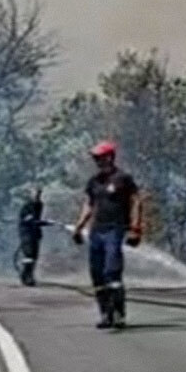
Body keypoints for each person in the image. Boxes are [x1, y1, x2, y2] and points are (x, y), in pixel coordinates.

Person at [71, 141, 142, 329]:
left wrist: (135, 229)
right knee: (97, 274)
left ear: (110, 157)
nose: (97, 161)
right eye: (95, 158)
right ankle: (105, 313)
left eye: (100, 157)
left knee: (112, 271)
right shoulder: (94, 182)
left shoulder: (123, 179)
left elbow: (136, 202)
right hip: (97, 231)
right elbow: (88, 205)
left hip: (115, 229)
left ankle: (119, 313)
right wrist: (79, 228)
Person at [16, 188, 51, 286]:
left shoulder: (39, 205)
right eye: (35, 194)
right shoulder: (26, 206)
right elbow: (28, 220)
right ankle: (26, 276)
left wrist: (45, 223)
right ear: (31, 195)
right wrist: (43, 222)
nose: (37, 196)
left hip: (35, 233)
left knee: (34, 256)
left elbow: (37, 219)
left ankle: (29, 274)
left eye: (39, 194)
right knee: (29, 254)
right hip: (26, 233)